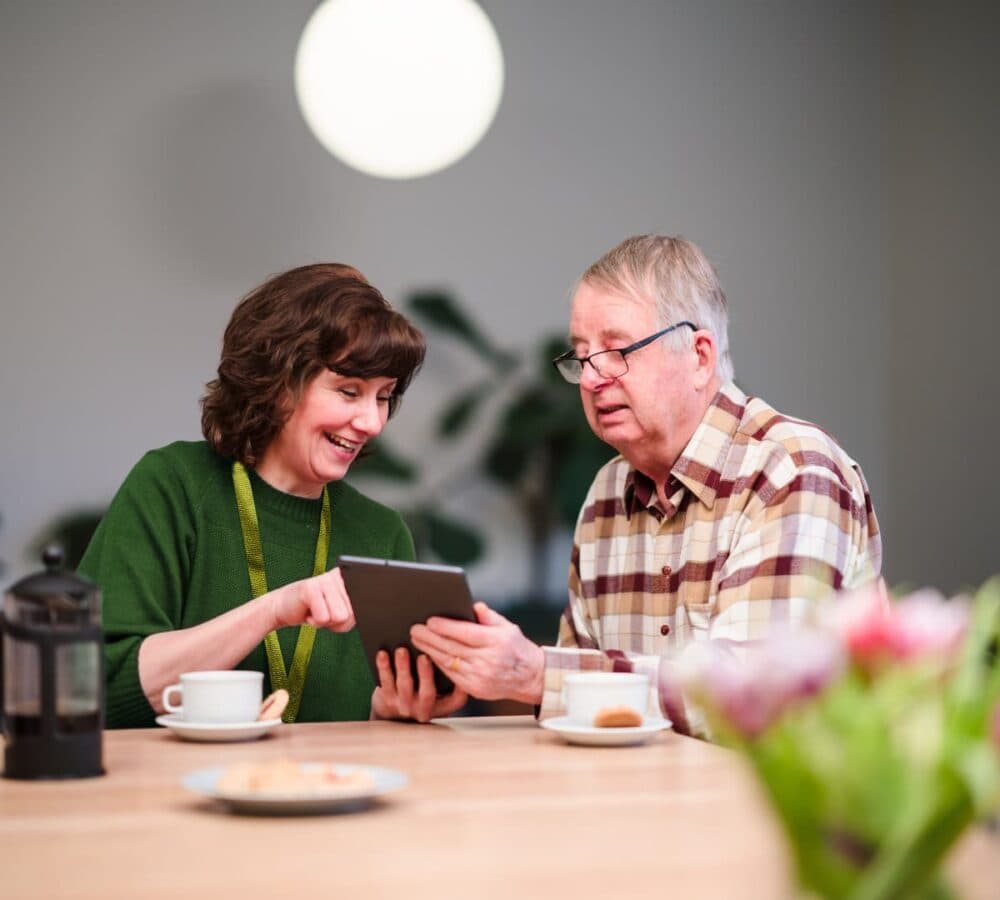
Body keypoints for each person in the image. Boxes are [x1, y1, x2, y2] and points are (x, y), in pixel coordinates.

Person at [409, 235, 882, 734]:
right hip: (640, 801)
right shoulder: (604, 495)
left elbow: (753, 698)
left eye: (617, 351)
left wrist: (537, 675)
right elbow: (581, 716)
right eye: (581, 355)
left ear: (700, 356)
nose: (591, 378)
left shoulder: (792, 470)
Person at [80, 264, 467, 727]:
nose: (372, 423)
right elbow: (99, 687)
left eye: (383, 397)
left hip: (328, 794)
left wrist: (386, 712)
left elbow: (364, 726)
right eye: (348, 391)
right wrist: (273, 610)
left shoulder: (382, 533)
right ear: (280, 383)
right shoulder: (173, 486)